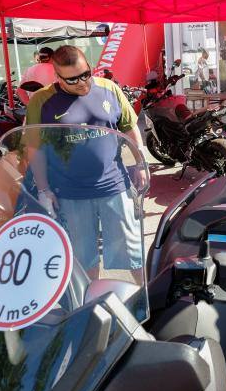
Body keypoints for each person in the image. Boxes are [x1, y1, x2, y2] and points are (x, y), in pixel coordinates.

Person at [25, 45, 146, 280]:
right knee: (83, 258)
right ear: (57, 77)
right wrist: (43, 189)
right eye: (72, 80)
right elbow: (34, 148)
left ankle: (147, 300)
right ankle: (90, 307)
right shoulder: (42, 101)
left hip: (114, 187)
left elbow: (129, 127)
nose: (82, 83)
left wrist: (140, 163)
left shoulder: (108, 88)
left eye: (85, 74)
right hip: (70, 193)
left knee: (132, 254)